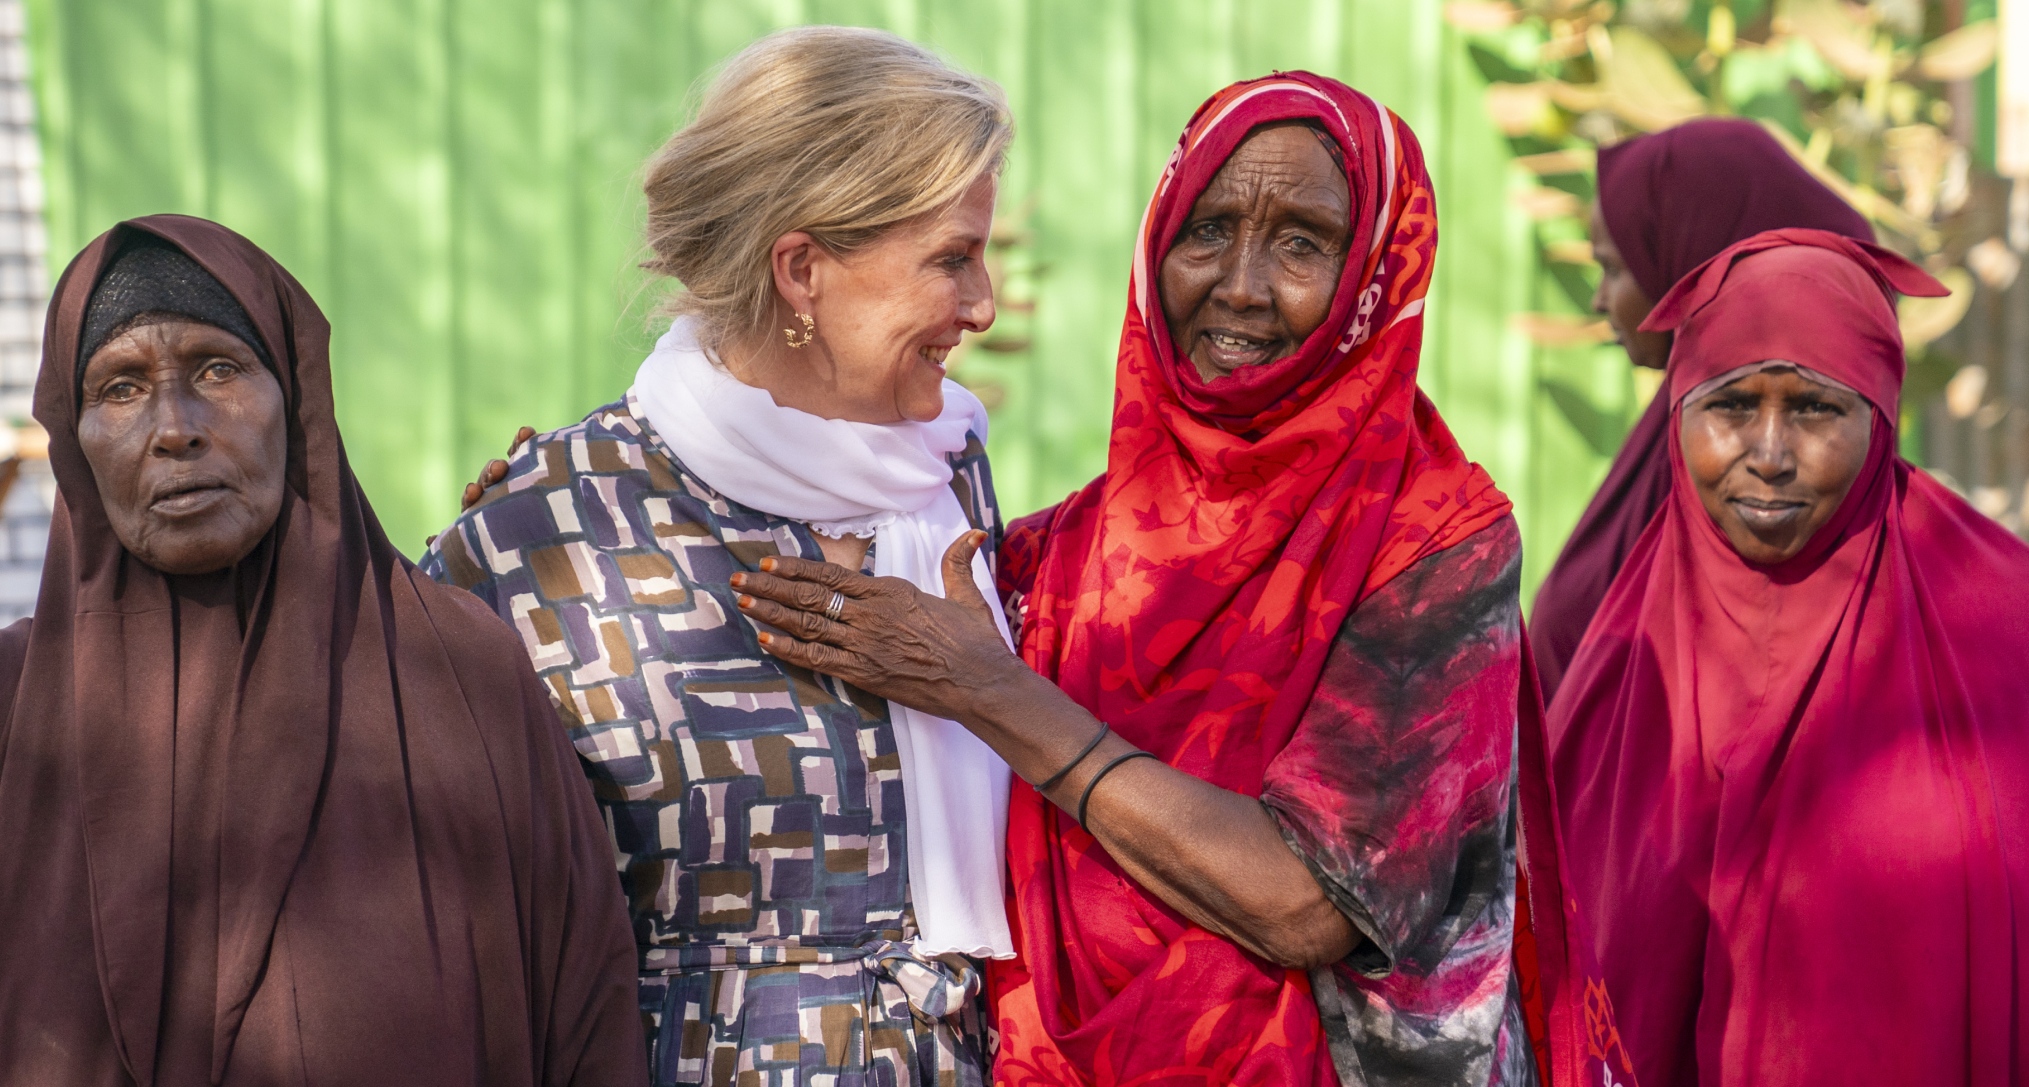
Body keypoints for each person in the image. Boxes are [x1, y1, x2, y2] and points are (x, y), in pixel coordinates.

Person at [733, 72, 1633, 1087]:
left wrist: (990, 691)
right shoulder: (1058, 552)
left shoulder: (1430, 545)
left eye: (1302, 243)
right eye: (1206, 230)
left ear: (1375, 274)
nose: (1241, 285)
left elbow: (1305, 906)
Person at [423, 27, 1015, 1085]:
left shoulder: (947, 475)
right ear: (802, 270)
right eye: (951, 259)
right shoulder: (546, 532)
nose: (982, 305)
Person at [0, 216, 646, 1085]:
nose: (175, 427)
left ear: (297, 399)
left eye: (218, 369)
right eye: (120, 387)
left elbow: (586, 1009)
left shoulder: (460, 672)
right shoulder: (15, 708)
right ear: (73, 441)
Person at [1547, 228, 2029, 1085]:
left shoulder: (2001, 633)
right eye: (1730, 404)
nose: (1768, 456)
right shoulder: (1618, 668)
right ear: (1676, 414)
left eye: (1814, 409)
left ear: (1880, 416)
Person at [1528, 118, 1873, 699]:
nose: (1599, 298)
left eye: (1614, 267)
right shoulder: (1669, 438)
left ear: (1690, 258)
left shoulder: (1755, 482)